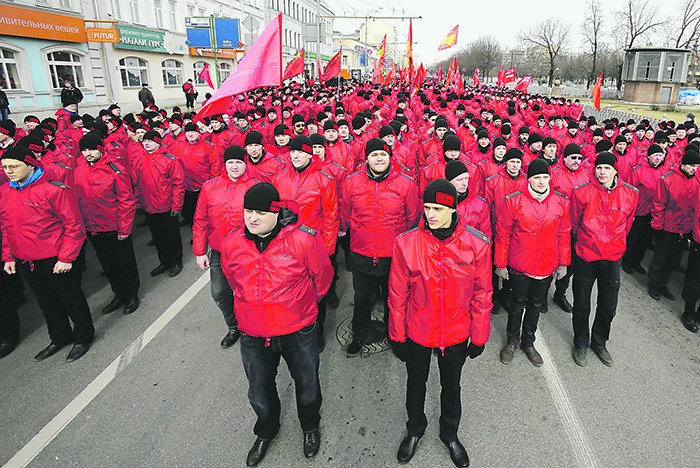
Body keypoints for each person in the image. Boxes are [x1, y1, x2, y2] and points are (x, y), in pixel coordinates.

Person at [220, 182, 333, 467]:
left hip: (297, 330)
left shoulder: (303, 239)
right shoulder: (232, 242)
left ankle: (309, 427)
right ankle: (266, 430)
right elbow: (233, 280)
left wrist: (302, 306)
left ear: (276, 212)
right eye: (248, 211)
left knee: (307, 385)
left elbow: (322, 278)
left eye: (259, 212)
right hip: (254, 334)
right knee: (259, 390)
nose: (252, 218)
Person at [388, 179, 492, 468]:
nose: (429, 214)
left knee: (451, 385)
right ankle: (415, 429)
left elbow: (483, 294)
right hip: (419, 330)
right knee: (416, 383)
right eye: (427, 207)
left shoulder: (476, 245)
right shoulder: (406, 243)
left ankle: (450, 433)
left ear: (452, 207)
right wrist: (397, 335)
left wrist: (480, 335)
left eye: (436, 208)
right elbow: (397, 293)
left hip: (457, 332)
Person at [0, 146, 95, 362]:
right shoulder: (6, 191)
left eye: (14, 166)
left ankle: (83, 336)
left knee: (71, 298)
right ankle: (59, 336)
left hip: (55, 257)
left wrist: (66, 257)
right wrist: (8, 256)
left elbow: (74, 226)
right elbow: (6, 227)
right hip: (27, 259)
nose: (9, 171)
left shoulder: (53, 189)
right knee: (46, 301)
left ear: (30, 165)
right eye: (5, 167)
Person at [339, 138, 421, 357]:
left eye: (383, 155)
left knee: (393, 300)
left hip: (393, 255)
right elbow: (345, 213)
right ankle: (359, 334)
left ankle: (396, 337)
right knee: (362, 298)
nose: (379, 159)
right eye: (374, 155)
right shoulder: (352, 182)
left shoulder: (405, 183)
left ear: (390, 157)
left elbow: (413, 217)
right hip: (361, 252)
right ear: (366, 158)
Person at [495, 159, 571, 367]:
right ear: (529, 178)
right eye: (537, 177)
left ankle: (528, 343)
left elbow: (564, 235)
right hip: (520, 265)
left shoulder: (561, 202)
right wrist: (500, 264)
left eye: (545, 177)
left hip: (546, 266)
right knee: (516, 304)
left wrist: (564, 263)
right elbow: (503, 234)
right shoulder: (514, 201)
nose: (541, 181)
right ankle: (512, 341)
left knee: (535, 306)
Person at [570, 152, 639, 366]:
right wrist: (586, 241)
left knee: (608, 305)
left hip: (612, 257)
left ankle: (599, 342)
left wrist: (614, 244)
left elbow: (628, 223)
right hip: (586, 255)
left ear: (615, 170)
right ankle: (581, 342)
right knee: (581, 303)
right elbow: (574, 223)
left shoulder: (630, 193)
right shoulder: (581, 192)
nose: (602, 172)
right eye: (599, 168)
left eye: (607, 168)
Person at [193, 145, 258, 348]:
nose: (234, 166)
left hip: (247, 251)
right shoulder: (210, 187)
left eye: (239, 162)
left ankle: (254, 327)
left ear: (245, 164)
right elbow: (201, 219)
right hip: (219, 252)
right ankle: (233, 326)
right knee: (220, 293)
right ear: (225, 164)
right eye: (231, 162)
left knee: (249, 293)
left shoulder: (254, 186)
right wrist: (199, 251)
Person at [73, 133, 140, 315]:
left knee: (124, 263)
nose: (88, 153)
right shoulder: (79, 169)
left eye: (91, 149)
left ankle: (131, 293)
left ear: (100, 149)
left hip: (114, 227)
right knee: (107, 264)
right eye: (84, 150)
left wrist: (124, 227)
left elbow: (126, 199)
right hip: (93, 227)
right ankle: (118, 293)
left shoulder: (114, 169)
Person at [130, 130, 186, 277]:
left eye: (150, 141)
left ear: (158, 142)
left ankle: (176, 261)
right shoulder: (140, 160)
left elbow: (179, 184)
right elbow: (136, 184)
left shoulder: (169, 160)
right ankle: (164, 261)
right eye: (144, 141)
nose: (146, 143)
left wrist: (177, 205)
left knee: (171, 236)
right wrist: (138, 203)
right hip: (148, 206)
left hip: (166, 206)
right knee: (158, 237)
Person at [647, 152, 700, 301]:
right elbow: (659, 205)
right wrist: (658, 227)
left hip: (684, 230)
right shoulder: (668, 179)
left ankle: (662, 284)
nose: (694, 169)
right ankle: (653, 284)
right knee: (660, 259)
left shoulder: (697, 182)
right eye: (691, 165)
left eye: (696, 166)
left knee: (673, 261)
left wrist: (691, 230)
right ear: (683, 164)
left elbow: (695, 209)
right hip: (668, 228)